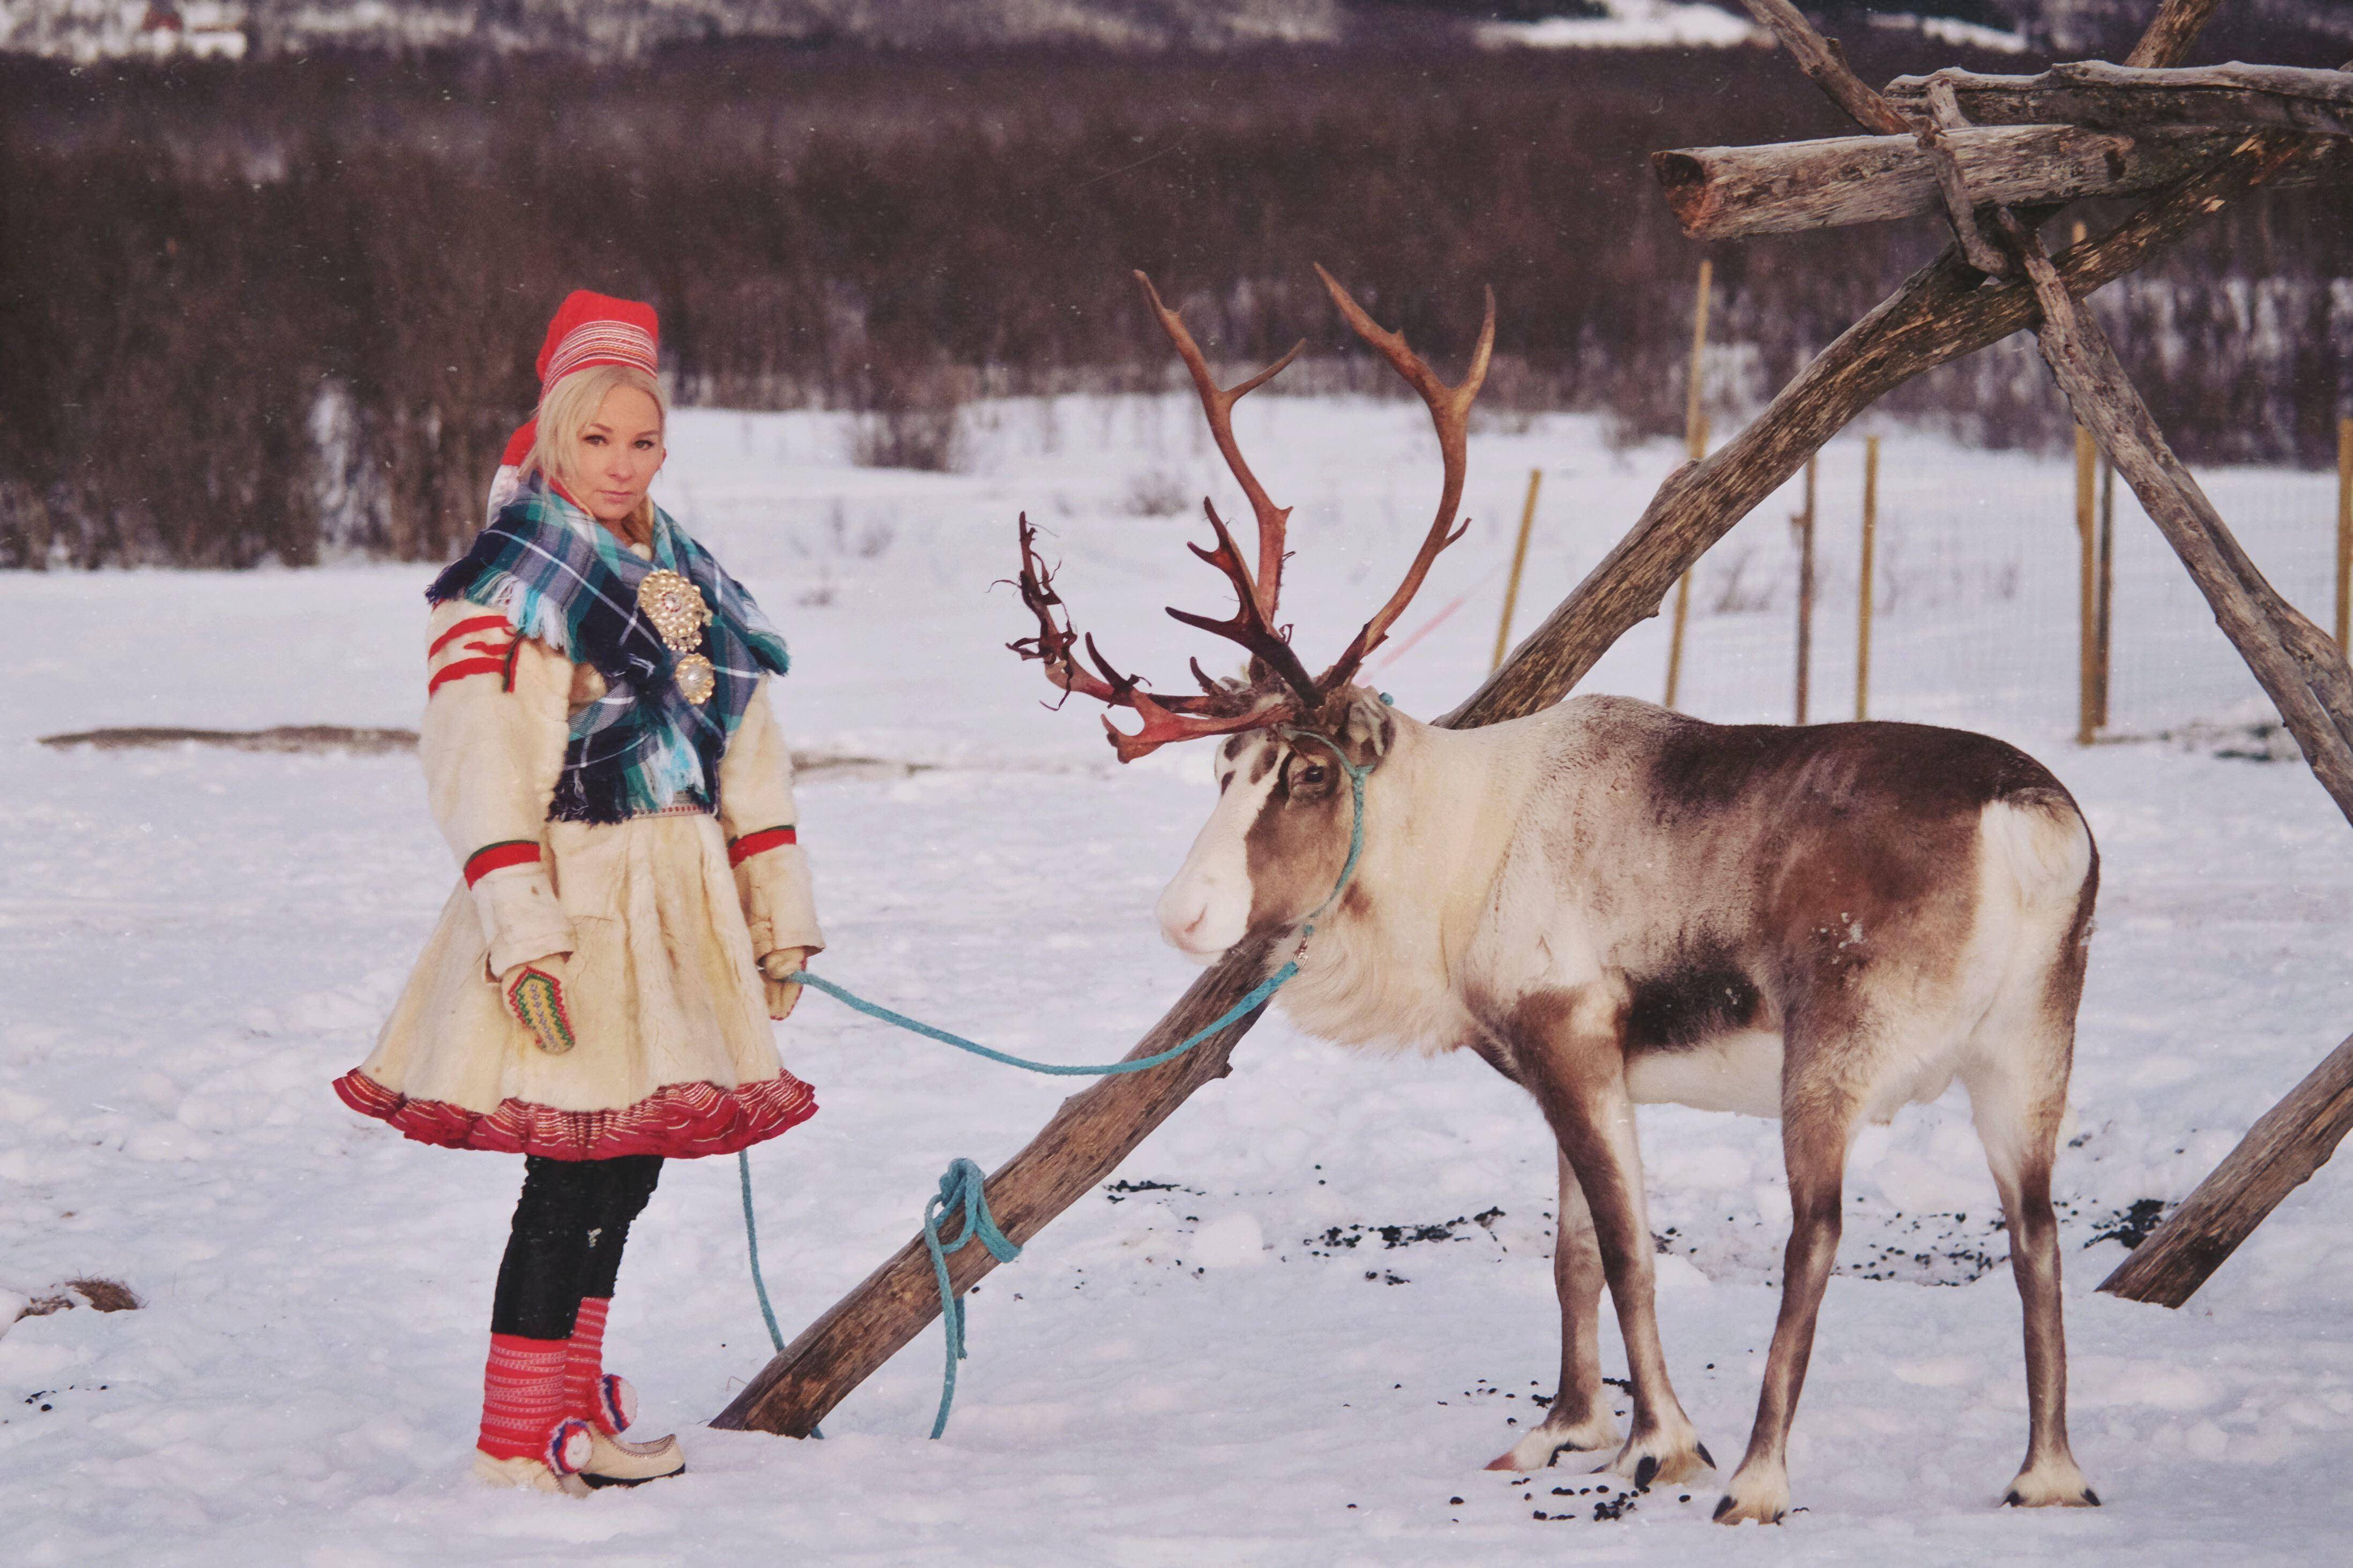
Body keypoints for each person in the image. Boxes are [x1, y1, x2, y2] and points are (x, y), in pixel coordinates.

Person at [334, 291, 824, 1495]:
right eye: (595, 439)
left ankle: (571, 1407)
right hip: (572, 898)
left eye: (641, 440)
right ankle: (516, 1436)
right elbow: (477, 765)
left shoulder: (688, 570)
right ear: (555, 432)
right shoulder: (514, 575)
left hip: (679, 905)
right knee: (570, 1171)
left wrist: (776, 912)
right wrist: (521, 935)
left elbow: (747, 747)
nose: (619, 463)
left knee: (630, 1161)